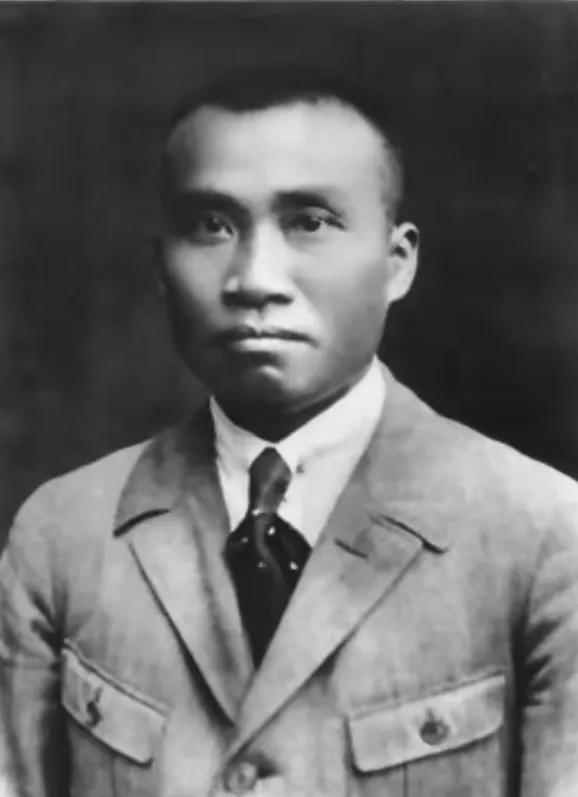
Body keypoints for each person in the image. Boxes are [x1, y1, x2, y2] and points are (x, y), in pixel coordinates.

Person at [1, 65, 578, 797]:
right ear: (160, 266)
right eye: (211, 225)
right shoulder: (62, 536)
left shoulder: (544, 535)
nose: (254, 278)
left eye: (309, 222)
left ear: (396, 263)